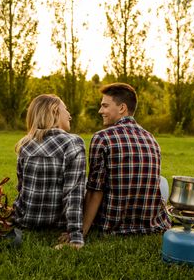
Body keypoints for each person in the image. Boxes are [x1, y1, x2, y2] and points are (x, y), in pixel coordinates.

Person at [82, 83, 171, 237]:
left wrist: (81, 231)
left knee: (84, 181)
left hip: (111, 225)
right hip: (150, 224)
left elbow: (95, 190)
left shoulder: (102, 137)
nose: (100, 110)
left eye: (105, 106)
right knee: (162, 181)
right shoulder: (152, 138)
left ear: (122, 108)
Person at [13, 94, 86, 249]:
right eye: (66, 110)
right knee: (84, 184)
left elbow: (22, 189)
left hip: (25, 220)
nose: (70, 115)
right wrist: (75, 236)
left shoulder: (25, 144)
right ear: (54, 111)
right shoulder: (73, 142)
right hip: (56, 222)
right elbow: (73, 193)